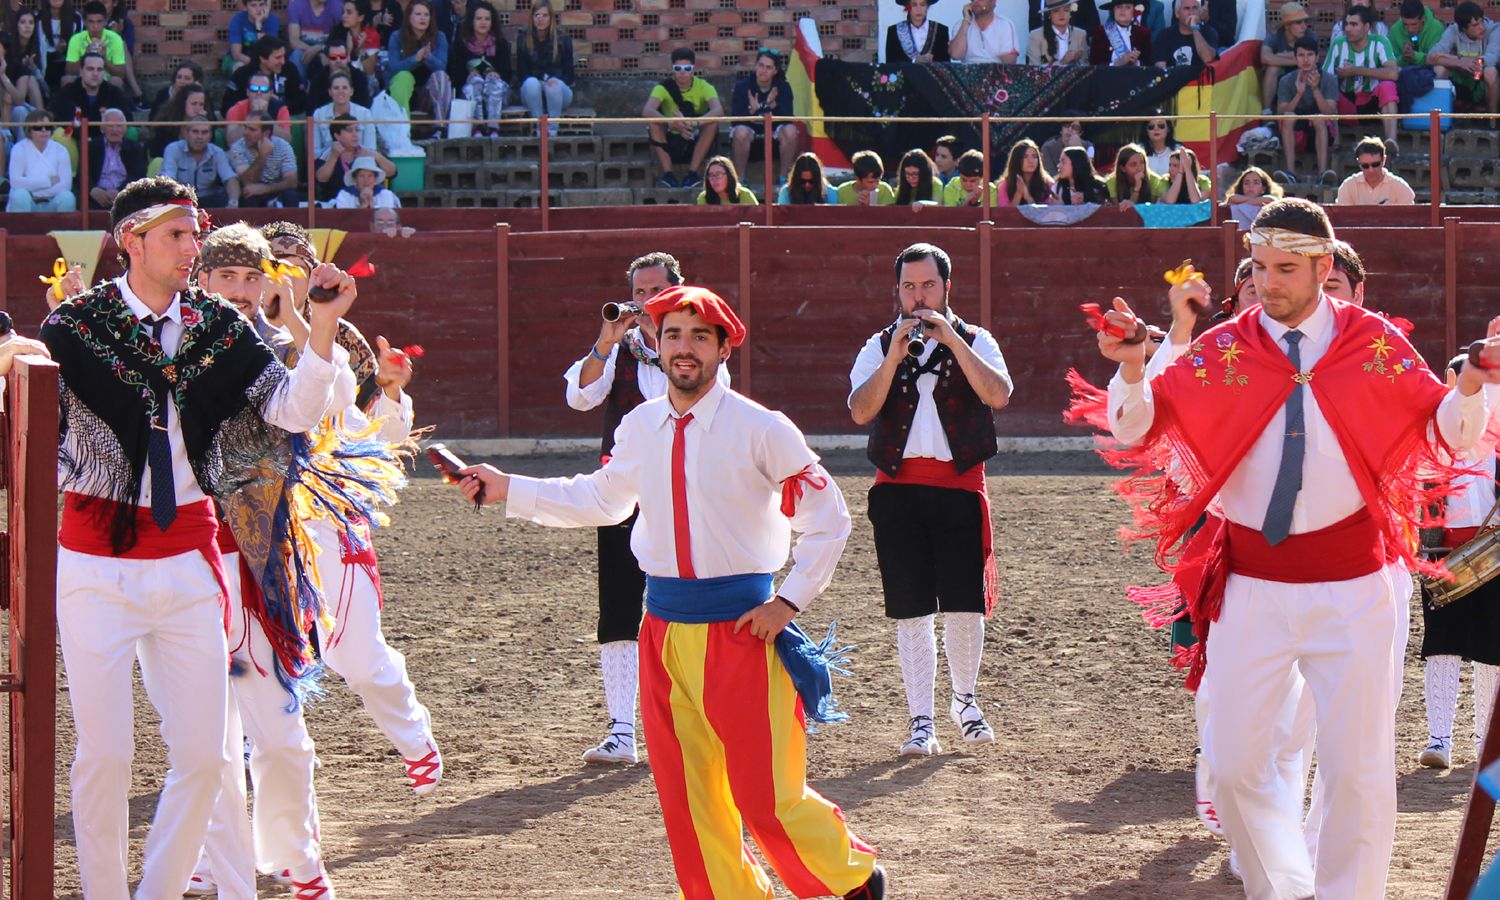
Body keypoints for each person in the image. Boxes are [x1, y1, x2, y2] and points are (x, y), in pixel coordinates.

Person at [1092, 196, 1500, 899]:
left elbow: (1449, 434)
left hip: (1354, 588)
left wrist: (1468, 385)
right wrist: (1133, 367)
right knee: (1231, 767)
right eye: (1259, 267)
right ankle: (1284, 886)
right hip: (1253, 586)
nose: (1268, 282)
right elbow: (1138, 426)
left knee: (1358, 772)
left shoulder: (1371, 340)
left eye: (1285, 269)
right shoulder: (1228, 345)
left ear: (1322, 265)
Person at [459, 284, 887, 900]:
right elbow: (602, 500)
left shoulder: (762, 428)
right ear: (656, 347)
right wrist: (509, 488)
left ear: (723, 349)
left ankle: (852, 880)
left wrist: (787, 602)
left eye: (699, 337)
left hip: (744, 631)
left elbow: (830, 519)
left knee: (766, 794)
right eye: (673, 336)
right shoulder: (639, 425)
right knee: (690, 797)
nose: (685, 348)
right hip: (661, 634)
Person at [40, 174, 350, 900]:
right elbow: (39, 437)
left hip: (188, 557)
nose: (192, 247)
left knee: (208, 760)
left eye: (194, 233)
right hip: (95, 561)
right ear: (132, 240)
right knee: (106, 756)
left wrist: (322, 326)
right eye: (178, 235)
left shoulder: (218, 327)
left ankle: (155, 893)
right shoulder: (73, 328)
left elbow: (292, 410)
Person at [182, 222, 367, 900]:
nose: (238, 290)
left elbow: (322, 404)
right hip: (187, 562)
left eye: (249, 276)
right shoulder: (169, 348)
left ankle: (295, 856)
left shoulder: (282, 348)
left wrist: (317, 325)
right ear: (201, 280)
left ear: (266, 282)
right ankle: (218, 866)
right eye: (225, 276)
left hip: (259, 562)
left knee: (282, 737)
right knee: (208, 741)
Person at [263, 221, 438, 800]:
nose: (281, 273)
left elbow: (375, 435)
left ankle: (414, 737)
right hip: (254, 514)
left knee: (353, 653)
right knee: (252, 646)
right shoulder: (228, 331)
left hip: (325, 511)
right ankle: (255, 748)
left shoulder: (344, 339)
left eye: (294, 263)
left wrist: (389, 392)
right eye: (271, 261)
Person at [848, 242, 1012, 757]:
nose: (918, 296)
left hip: (959, 485)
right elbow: (860, 411)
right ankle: (921, 719)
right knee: (912, 608)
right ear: (897, 291)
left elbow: (999, 394)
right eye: (909, 286)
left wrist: (954, 341)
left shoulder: (976, 339)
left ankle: (965, 701)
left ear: (947, 288)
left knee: (965, 605)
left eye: (928, 285)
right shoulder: (879, 344)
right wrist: (893, 356)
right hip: (897, 488)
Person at [561, 252, 724, 765]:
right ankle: (621, 728)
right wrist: (605, 341)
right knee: (619, 603)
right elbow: (579, 398)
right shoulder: (619, 350)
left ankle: (693, 720)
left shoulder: (701, 346)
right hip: (626, 490)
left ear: (678, 292)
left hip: (687, 491)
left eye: (657, 291)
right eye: (639, 293)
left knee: (689, 603)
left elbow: (718, 407)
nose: (647, 301)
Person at [1418, 351, 1500, 771]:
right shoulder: (1433, 436)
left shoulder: (1497, 436)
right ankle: (1440, 739)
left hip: (1494, 557)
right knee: (1442, 647)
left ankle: (1486, 740)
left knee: (1491, 651)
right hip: (1442, 555)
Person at [1325, 5, 1400, 151]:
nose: (1348, 29)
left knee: (1387, 87)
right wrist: (1339, 76)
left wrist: (1356, 70)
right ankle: (1335, 143)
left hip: (1373, 107)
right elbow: (1325, 78)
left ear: (1366, 27)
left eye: (1354, 24)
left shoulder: (1380, 42)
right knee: (1330, 89)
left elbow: (1393, 73)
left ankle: (1391, 141)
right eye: (1346, 24)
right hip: (1347, 107)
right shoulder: (1338, 44)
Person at [645, 47, 722, 189]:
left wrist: (693, 123)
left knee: (713, 124)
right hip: (671, 140)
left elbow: (718, 110)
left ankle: (692, 174)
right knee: (653, 124)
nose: (682, 72)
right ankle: (668, 174)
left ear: (693, 69)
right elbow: (647, 110)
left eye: (687, 68)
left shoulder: (704, 86)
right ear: (672, 69)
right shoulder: (663, 87)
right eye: (678, 68)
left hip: (695, 137)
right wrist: (671, 123)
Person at [1275, 34, 1339, 187]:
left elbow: (1330, 112)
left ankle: (1322, 173)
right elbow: (1280, 113)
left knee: (1319, 118)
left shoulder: (1329, 79)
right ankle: (1291, 173)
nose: (1305, 60)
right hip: (1296, 134)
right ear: (1295, 58)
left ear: (1317, 58)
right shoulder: (1286, 80)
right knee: (1288, 117)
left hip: (1322, 131)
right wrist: (1299, 93)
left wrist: (1315, 89)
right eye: (1301, 55)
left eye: (1310, 55)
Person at [729, 49, 797, 186]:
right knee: (740, 132)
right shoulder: (742, 86)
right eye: (760, 65)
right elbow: (735, 119)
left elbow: (788, 117)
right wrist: (752, 110)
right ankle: (739, 180)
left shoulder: (783, 87)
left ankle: (784, 179)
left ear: (775, 71)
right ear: (755, 66)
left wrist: (769, 107)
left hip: (775, 138)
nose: (763, 70)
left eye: (768, 67)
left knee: (791, 131)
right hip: (749, 136)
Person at [1427, 1, 1500, 122]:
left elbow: (1492, 57)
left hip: (1482, 82)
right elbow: (1431, 57)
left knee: (1491, 72)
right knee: (1439, 69)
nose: (1482, 27)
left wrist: (1474, 62)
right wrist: (1461, 61)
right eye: (1475, 25)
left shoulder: (1494, 29)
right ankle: (1443, 120)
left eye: (1481, 21)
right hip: (1462, 80)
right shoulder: (1453, 31)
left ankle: (1493, 121)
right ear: (1463, 29)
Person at [448, 0, 512, 134]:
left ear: (492, 22)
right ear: (472, 21)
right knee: (475, 83)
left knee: (494, 84)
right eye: (479, 19)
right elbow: (455, 76)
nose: (483, 22)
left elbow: (507, 75)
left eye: (487, 19)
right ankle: (477, 128)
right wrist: (468, 76)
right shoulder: (461, 43)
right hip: (470, 92)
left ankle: (493, 128)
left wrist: (497, 75)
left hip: (496, 94)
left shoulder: (500, 43)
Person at [516, 0, 576, 137]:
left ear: (551, 18)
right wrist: (540, 84)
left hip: (558, 94)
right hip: (532, 95)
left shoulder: (563, 39)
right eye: (537, 15)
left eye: (544, 15)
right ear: (532, 18)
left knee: (553, 85)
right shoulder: (523, 39)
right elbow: (521, 74)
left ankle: (552, 131)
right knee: (531, 83)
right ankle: (540, 130)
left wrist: (552, 82)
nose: (540, 19)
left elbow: (569, 76)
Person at [385, 0, 452, 117]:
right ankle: (402, 123)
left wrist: (428, 57)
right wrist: (415, 59)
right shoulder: (396, 37)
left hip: (429, 92)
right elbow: (394, 68)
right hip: (403, 89)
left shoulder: (440, 37)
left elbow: (442, 67)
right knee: (403, 76)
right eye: (418, 14)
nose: (423, 18)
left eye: (426, 15)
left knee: (441, 76)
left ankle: (440, 124)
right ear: (409, 17)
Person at [64, 1, 138, 101]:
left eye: (99, 21)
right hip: (82, 80)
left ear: (105, 21)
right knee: (66, 80)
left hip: (106, 80)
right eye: (91, 22)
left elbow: (121, 74)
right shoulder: (76, 39)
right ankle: (71, 110)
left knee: (116, 81)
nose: (95, 26)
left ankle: (113, 109)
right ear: (85, 22)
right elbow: (69, 70)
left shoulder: (115, 39)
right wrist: (85, 55)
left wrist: (104, 59)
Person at [161, 117, 242, 208]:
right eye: (195, 132)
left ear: (210, 135)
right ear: (186, 133)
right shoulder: (173, 149)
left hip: (209, 199)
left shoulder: (217, 152)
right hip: (182, 199)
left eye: (204, 132)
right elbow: (168, 179)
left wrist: (233, 203)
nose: (199, 137)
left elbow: (230, 178)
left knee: (223, 195)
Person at [7, 108, 76, 211]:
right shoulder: (19, 149)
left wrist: (35, 189)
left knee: (67, 197)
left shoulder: (61, 150)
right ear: (29, 130)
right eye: (38, 127)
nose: (44, 130)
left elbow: (65, 185)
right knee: (20, 195)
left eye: (47, 127)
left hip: (52, 202)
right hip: (29, 201)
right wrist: (49, 181)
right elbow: (16, 183)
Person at [229, 114, 301, 208]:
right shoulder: (238, 147)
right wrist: (263, 156)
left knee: (290, 195)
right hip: (251, 193)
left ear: (266, 133)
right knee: (248, 197)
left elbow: (292, 182)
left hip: (275, 191)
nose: (245, 133)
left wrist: (265, 189)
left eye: (252, 129)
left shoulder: (283, 146)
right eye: (245, 127)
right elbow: (248, 182)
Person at [317, 116, 394, 203]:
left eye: (357, 130)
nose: (355, 135)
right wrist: (334, 156)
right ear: (337, 135)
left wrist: (377, 156)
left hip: (370, 201)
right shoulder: (326, 154)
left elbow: (392, 173)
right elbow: (321, 179)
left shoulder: (366, 152)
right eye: (350, 131)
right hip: (336, 203)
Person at [227, 35, 309, 116]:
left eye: (284, 56)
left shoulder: (289, 69)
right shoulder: (242, 75)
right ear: (263, 59)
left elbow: (300, 101)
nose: (283, 62)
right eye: (278, 57)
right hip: (249, 120)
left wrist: (277, 105)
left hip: (283, 118)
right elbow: (227, 106)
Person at [82, 106, 146, 210]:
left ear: (125, 129)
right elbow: (82, 175)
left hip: (126, 196)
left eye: (119, 126)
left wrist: (121, 191)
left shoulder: (135, 148)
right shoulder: (90, 147)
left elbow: (138, 175)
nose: (114, 130)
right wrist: (92, 189)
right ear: (102, 128)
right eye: (110, 125)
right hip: (96, 197)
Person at [1260, 1, 1312, 114]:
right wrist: (1295, 60)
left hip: (1304, 76)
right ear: (1287, 25)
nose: (1304, 26)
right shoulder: (1275, 36)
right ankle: (1267, 111)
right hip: (1281, 78)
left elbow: (1310, 59)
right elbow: (1265, 57)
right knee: (1273, 68)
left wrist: (1279, 56)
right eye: (1298, 22)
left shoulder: (1309, 34)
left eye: (1305, 21)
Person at [49, 49, 127, 123]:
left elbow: (128, 122)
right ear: (81, 71)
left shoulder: (115, 94)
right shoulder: (66, 93)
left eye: (99, 69)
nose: (95, 74)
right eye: (90, 69)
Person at [1336, 135, 1415, 204]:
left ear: (1384, 160)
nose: (1371, 170)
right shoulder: (1348, 186)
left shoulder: (1399, 187)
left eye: (1375, 164)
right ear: (1359, 163)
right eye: (1365, 166)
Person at [313, 70, 377, 157]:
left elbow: (371, 149)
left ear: (351, 91)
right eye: (336, 88)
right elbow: (315, 152)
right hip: (328, 160)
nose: (340, 91)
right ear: (330, 92)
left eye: (345, 88)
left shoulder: (365, 113)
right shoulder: (319, 114)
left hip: (359, 161)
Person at [225, 71, 294, 144]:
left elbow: (287, 139)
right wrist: (253, 117)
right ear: (247, 92)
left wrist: (265, 118)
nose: (259, 93)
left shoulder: (280, 108)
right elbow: (231, 141)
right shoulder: (237, 109)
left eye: (264, 89)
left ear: (271, 93)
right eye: (254, 89)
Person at [149, 81, 212, 159]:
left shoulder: (205, 122)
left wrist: (202, 125)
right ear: (183, 103)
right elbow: (157, 152)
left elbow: (209, 150)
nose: (198, 108)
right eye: (194, 104)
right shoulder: (167, 122)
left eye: (201, 104)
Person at [3, 9, 47, 114]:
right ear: (16, 25)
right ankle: (41, 117)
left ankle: (42, 118)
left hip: (35, 87)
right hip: (10, 85)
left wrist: (33, 68)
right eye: (23, 22)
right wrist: (22, 68)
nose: (27, 26)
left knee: (31, 79)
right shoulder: (8, 44)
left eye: (31, 23)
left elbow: (42, 77)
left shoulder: (41, 44)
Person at [1153, 0, 1217, 70]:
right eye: (1187, 8)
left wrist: (1194, 28)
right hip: (1174, 76)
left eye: (1195, 8)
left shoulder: (1209, 32)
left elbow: (1208, 59)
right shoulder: (1164, 35)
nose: (1191, 13)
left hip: (1201, 76)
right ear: (1177, 13)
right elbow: (1160, 68)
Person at [949, 0, 1019, 64]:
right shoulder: (961, 25)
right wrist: (966, 20)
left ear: (993, 2)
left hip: (996, 71)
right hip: (968, 71)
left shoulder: (1005, 24)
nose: (975, 1)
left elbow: (1010, 62)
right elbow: (955, 55)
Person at [286, 0, 342, 76]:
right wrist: (317, 52)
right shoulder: (296, 5)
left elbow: (340, 39)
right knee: (296, 56)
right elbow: (294, 41)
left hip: (327, 48)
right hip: (304, 49)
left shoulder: (336, 5)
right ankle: (299, 83)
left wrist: (322, 49)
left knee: (336, 57)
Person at [226, 0, 281, 75]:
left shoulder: (272, 21)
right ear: (246, 7)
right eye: (253, 5)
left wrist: (259, 25)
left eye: (261, 4)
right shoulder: (237, 20)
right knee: (239, 67)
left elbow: (269, 50)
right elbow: (237, 54)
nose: (258, 9)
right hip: (239, 59)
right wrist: (256, 65)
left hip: (264, 61)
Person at [886, 0, 950, 63]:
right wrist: (914, 61)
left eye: (922, 4)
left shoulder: (941, 31)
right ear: (907, 7)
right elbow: (890, 64)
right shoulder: (894, 31)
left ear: (927, 7)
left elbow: (946, 64)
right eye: (914, 5)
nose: (918, 9)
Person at [1091, 0, 1151, 66]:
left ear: (1133, 11)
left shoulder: (1143, 33)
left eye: (1127, 7)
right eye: (1119, 7)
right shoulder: (1101, 32)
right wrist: (1118, 63)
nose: (1123, 10)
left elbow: (1149, 64)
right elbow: (1094, 63)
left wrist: (1136, 63)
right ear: (1113, 10)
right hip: (1109, 72)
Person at [1027, 0, 1088, 64]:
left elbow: (1086, 66)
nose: (1062, 15)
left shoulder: (1081, 35)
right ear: (1049, 14)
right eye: (1056, 11)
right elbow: (1035, 68)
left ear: (1070, 13)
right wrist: (1062, 62)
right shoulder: (1036, 36)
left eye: (1066, 10)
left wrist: (1077, 61)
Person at [1391, 0, 1445, 72]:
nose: (1410, 29)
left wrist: (1415, 56)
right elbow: (1390, 62)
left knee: (1440, 69)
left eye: (1414, 24)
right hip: (1404, 71)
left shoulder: (1436, 28)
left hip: (1429, 70)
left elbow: (1436, 59)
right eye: (1405, 24)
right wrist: (1403, 58)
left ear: (1423, 18)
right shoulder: (1395, 30)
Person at [1104, 142, 1162, 208]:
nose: (1139, 168)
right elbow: (1120, 210)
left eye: (1142, 163)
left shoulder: (1154, 180)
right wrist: (1136, 189)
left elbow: (1151, 207)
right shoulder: (1112, 182)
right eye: (1133, 165)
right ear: (1123, 168)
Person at [38, 0, 80, 91]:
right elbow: (38, 48)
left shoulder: (76, 18)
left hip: (68, 64)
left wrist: (67, 48)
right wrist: (55, 51)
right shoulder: (38, 17)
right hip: (45, 65)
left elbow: (79, 46)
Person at [997, 138, 1053, 205]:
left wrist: (1027, 196)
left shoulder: (1048, 184)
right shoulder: (1005, 185)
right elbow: (1005, 211)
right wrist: (1018, 194)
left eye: (1034, 156)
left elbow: (1049, 210)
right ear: (1016, 160)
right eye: (1025, 157)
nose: (1031, 161)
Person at [1224, 165, 1282, 230]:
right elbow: (1232, 198)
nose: (1251, 186)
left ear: (1263, 189)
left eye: (1256, 183)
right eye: (1246, 183)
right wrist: (1255, 200)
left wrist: (1243, 203)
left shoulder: (1269, 199)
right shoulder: (1234, 199)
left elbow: (1271, 200)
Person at [331, 154, 400, 208]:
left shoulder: (385, 194)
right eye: (361, 176)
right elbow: (344, 219)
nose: (366, 180)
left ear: (375, 179)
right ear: (355, 178)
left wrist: (371, 203)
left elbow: (386, 218)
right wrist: (363, 205)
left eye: (370, 176)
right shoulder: (345, 195)